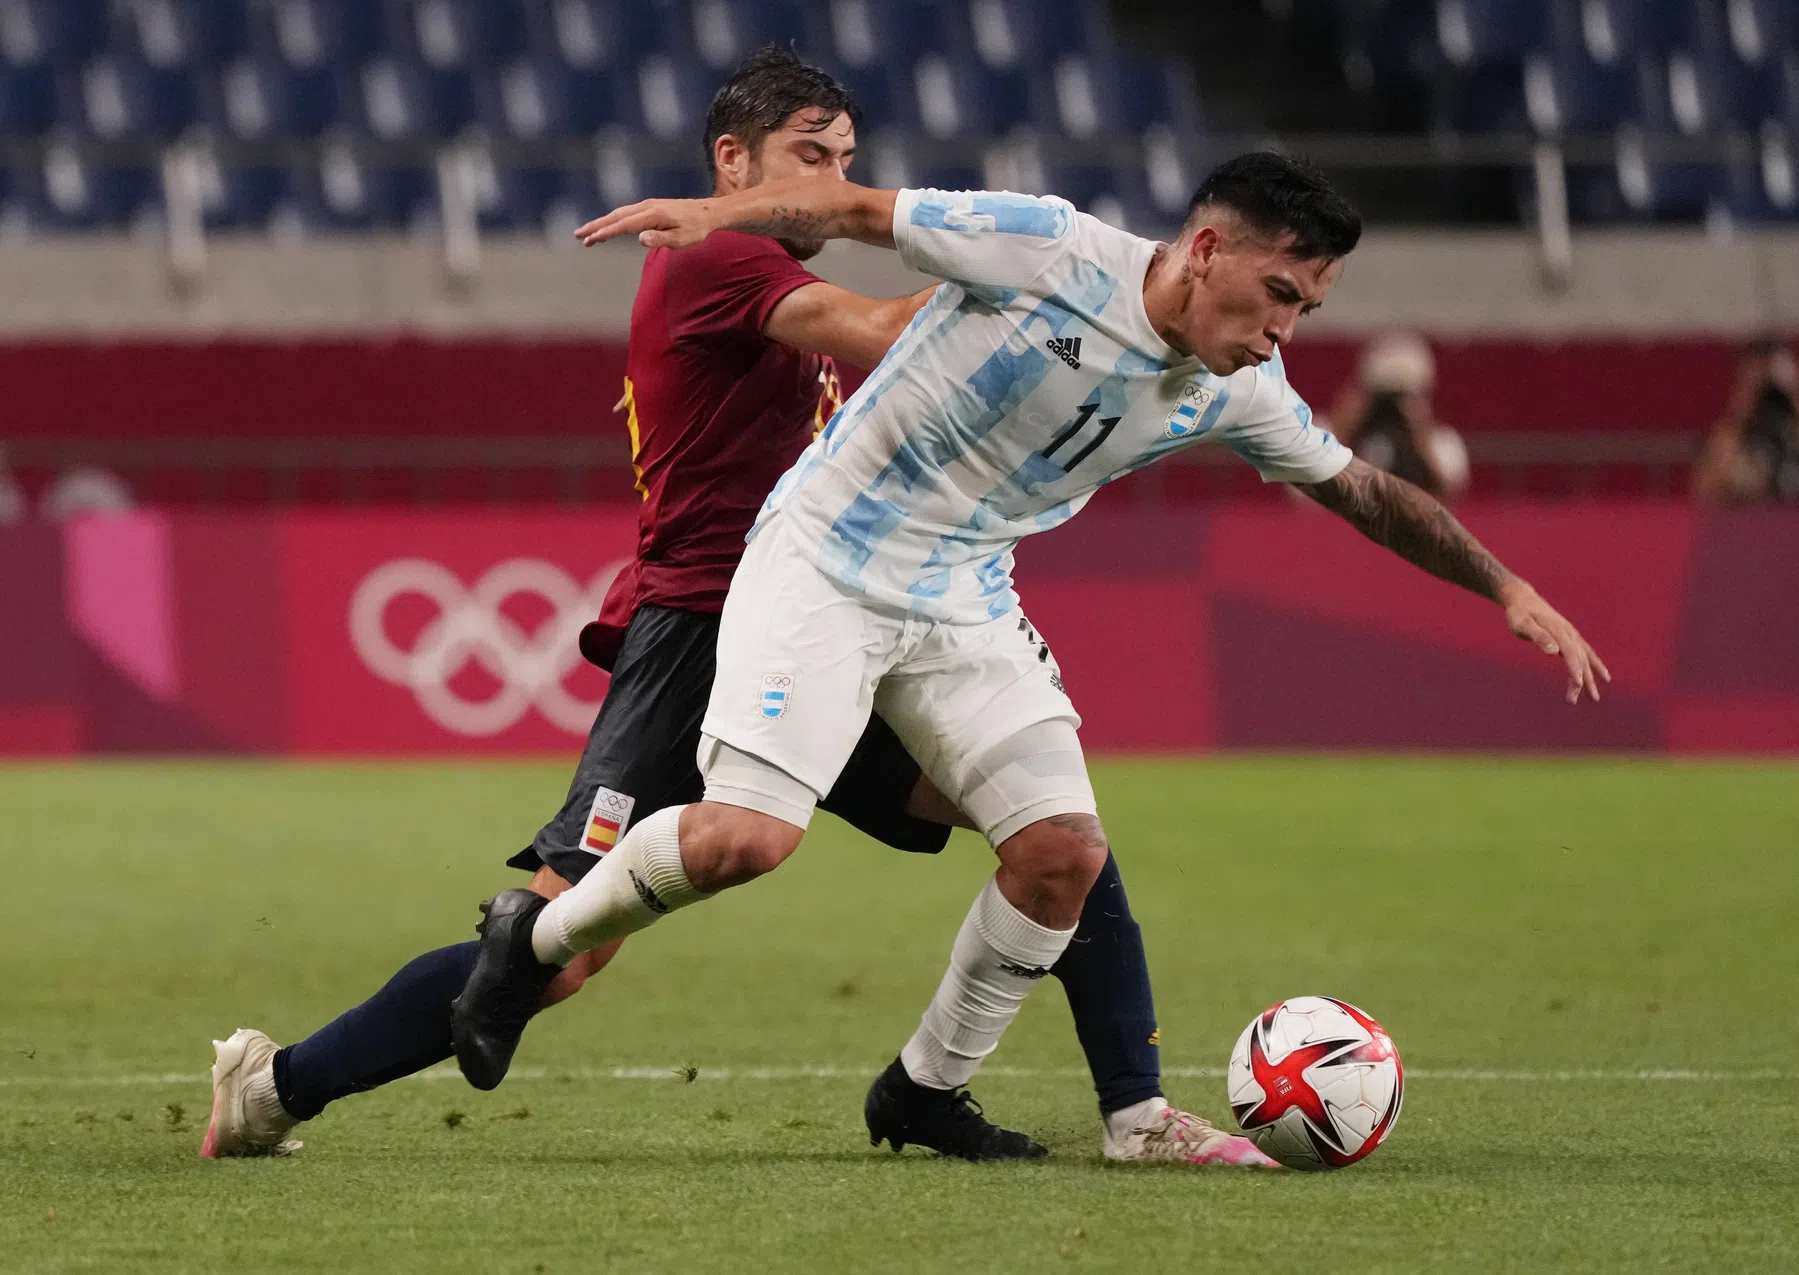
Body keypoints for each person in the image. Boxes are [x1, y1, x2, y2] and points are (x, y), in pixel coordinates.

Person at [204, 47, 1267, 1169]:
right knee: (560, 947)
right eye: (808, 156)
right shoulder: (719, 251)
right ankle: (273, 1087)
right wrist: (1042, 292)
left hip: (827, 624)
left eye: (845, 160)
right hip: (703, 626)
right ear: (733, 162)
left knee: (1055, 836)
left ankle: (1124, 1109)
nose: (828, 178)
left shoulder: (754, 257)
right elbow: (881, 332)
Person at [450, 152, 1610, 1157]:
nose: (1280, 333)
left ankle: (923, 1090)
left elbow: (1358, 488)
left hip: (959, 600)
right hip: (824, 560)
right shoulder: (1047, 246)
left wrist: (1502, 586)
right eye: (1275, 295)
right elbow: (856, 210)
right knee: (747, 840)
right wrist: (714, 215)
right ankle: (532, 938)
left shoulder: (1242, 387)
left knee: (1062, 855)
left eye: (1301, 310)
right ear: (1203, 250)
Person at [1327, 332, 1468, 501]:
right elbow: (1306, 500)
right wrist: (1343, 432)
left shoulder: (1443, 441)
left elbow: (1452, 496)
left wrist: (1420, 435)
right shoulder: (1325, 435)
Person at [1694, 338, 1799, 505]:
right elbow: (1705, 494)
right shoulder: (1727, 440)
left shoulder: (1791, 431)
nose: (1768, 403)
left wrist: (1790, 398)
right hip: (1748, 526)